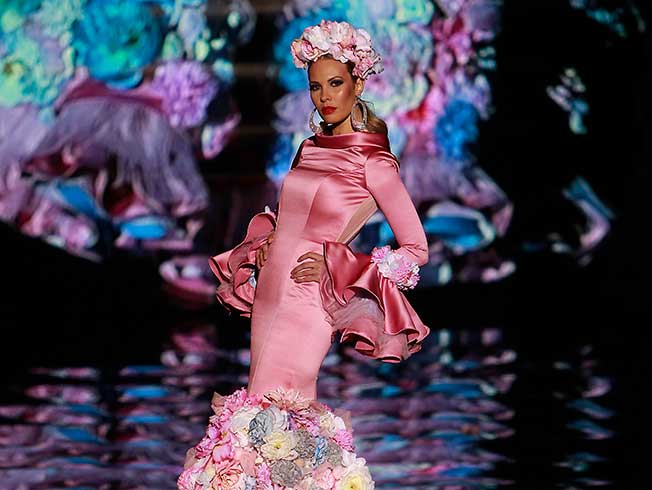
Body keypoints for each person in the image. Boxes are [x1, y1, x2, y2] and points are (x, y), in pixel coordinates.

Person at [178, 20, 430, 490]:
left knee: (281, 406)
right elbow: (292, 215)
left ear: (358, 84)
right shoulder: (308, 147)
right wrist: (269, 244)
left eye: (335, 84)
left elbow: (416, 249)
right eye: (316, 86)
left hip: (310, 297)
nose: (325, 96)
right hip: (272, 288)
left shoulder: (374, 162)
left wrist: (341, 266)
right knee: (261, 408)